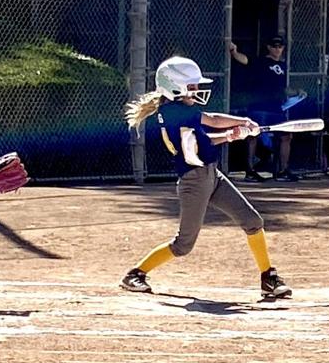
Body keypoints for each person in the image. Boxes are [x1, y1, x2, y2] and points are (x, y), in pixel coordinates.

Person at [120, 56, 292, 299]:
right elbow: (207, 133)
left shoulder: (182, 109)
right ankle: (135, 274)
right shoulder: (173, 112)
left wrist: (240, 127)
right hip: (194, 182)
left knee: (253, 221)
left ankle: (268, 277)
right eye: (191, 86)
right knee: (183, 245)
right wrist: (235, 131)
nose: (197, 90)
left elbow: (209, 123)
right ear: (174, 87)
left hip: (212, 175)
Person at [229, 36, 303, 182]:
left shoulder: (283, 66)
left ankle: (283, 170)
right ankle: (250, 170)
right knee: (253, 136)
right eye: (274, 46)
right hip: (259, 107)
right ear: (268, 47)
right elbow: (244, 60)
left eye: (280, 46)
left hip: (276, 108)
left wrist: (297, 92)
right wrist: (234, 52)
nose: (278, 49)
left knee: (286, 136)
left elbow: (284, 89)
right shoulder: (260, 62)